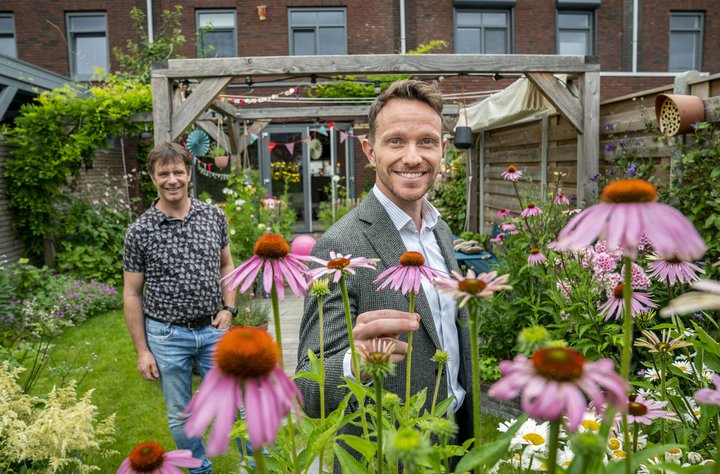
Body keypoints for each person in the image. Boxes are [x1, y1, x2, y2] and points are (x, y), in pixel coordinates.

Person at [295, 80, 474, 448]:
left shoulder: (441, 231)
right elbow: (308, 390)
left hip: (454, 439)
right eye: (395, 141)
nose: (412, 157)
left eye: (426, 141)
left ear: (442, 149)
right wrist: (351, 363)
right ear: (370, 150)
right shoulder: (340, 246)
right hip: (386, 454)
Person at [123, 142, 239, 474]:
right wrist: (142, 350)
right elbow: (132, 294)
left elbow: (227, 265)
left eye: (177, 171)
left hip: (214, 329)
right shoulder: (139, 232)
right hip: (166, 335)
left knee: (236, 404)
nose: (171, 179)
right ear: (153, 178)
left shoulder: (213, 216)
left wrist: (229, 308)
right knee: (180, 413)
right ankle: (200, 468)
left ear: (189, 174)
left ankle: (258, 463)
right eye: (164, 173)